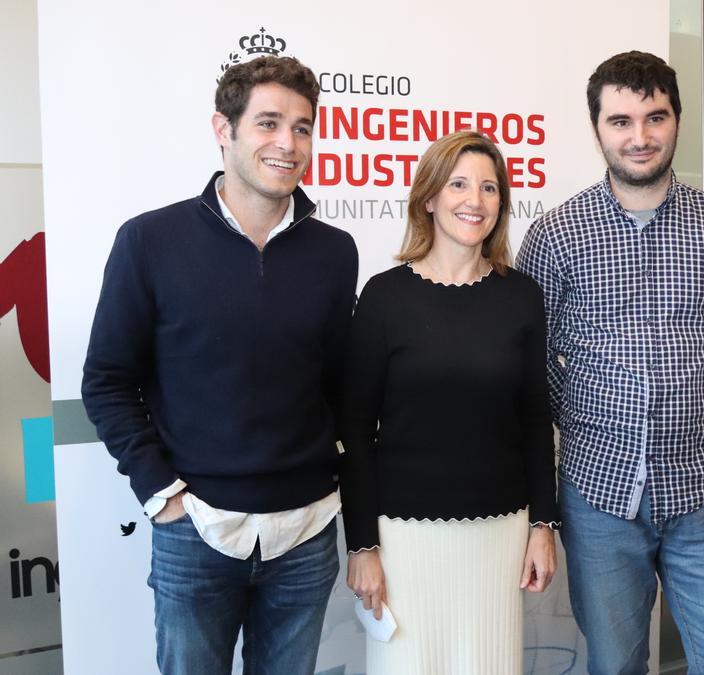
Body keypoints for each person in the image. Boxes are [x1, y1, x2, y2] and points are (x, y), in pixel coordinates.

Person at [81, 56, 358, 674]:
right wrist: (163, 494)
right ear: (222, 129)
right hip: (195, 530)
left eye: (303, 126)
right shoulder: (149, 241)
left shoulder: (336, 253)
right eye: (267, 123)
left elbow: (340, 382)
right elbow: (106, 381)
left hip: (307, 533)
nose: (288, 143)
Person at [516, 51, 704, 674]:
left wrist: (693, 403)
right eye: (620, 121)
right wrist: (589, 416)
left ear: (677, 120)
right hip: (599, 494)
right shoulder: (556, 234)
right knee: (615, 665)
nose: (640, 136)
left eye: (655, 118)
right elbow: (533, 356)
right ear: (597, 128)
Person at [339, 130, 559, 675]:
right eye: (459, 184)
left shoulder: (522, 297)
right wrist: (361, 545)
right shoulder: (385, 296)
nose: (475, 200)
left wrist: (543, 527)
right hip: (403, 541)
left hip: (500, 534)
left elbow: (535, 421)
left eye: (489, 187)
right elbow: (356, 430)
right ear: (429, 198)